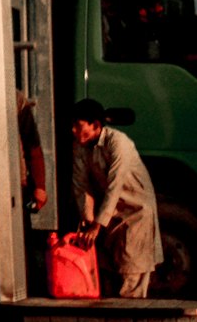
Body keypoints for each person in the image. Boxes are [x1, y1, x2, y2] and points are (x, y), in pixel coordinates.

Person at [69, 97, 162, 298]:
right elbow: (81, 186)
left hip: (136, 213)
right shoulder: (80, 146)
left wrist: (96, 225)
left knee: (132, 274)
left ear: (95, 125)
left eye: (78, 126)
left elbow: (115, 186)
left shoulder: (119, 142)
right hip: (111, 216)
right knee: (108, 274)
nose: (74, 131)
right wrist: (88, 220)